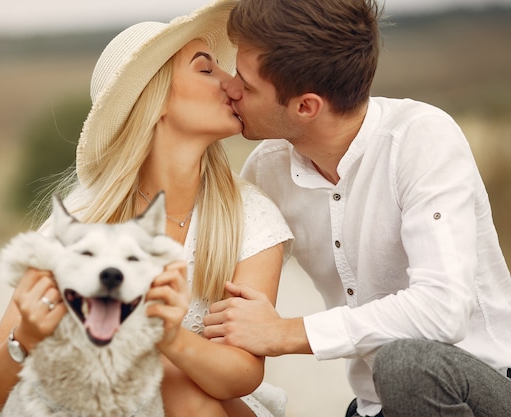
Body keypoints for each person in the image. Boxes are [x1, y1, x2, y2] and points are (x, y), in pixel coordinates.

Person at [0, 1, 294, 416]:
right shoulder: (83, 220)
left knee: (178, 382)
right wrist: (27, 338)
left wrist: (165, 336)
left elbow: (241, 376)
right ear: (155, 100)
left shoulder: (250, 215)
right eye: (206, 69)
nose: (233, 83)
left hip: (212, 406)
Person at [202, 0, 511, 416]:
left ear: (306, 106)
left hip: (486, 389)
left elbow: (443, 310)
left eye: (247, 83)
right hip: (373, 407)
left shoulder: (421, 138)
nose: (230, 88)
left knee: (406, 364)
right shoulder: (266, 170)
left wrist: (285, 333)